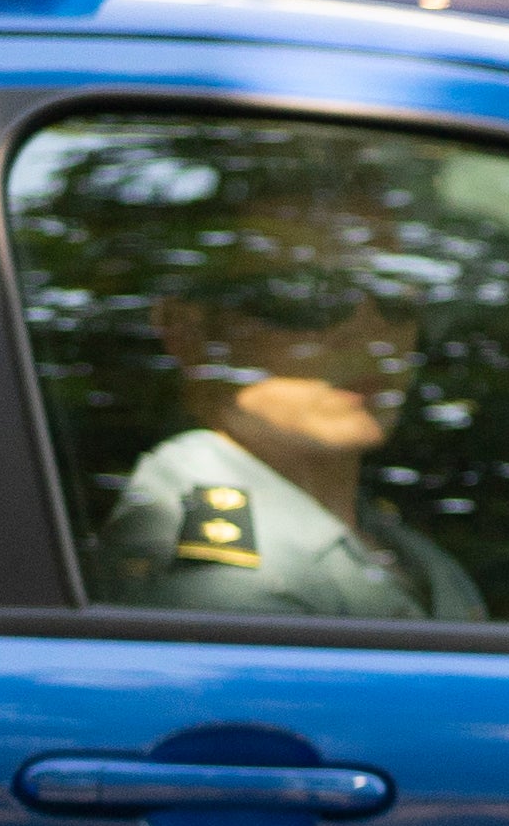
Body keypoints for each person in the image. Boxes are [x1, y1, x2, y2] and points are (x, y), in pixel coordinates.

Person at [99, 186, 485, 620]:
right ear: (190, 332)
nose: (371, 331)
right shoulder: (223, 577)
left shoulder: (390, 541)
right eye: (307, 294)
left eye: (396, 292)